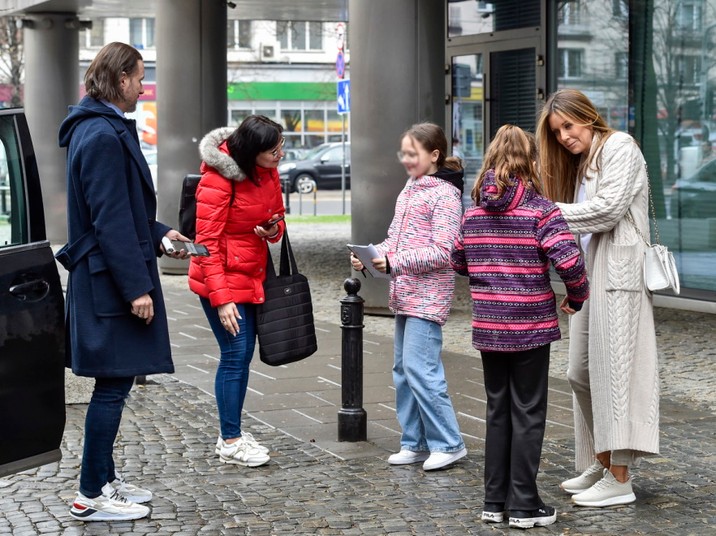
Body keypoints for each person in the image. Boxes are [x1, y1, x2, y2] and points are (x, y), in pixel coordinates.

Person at [58, 42, 189, 522]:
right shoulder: (100, 136)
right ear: (118, 81)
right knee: (111, 389)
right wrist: (137, 288)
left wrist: (159, 233)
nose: (142, 86)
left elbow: (122, 212)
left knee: (113, 386)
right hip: (111, 283)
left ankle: (105, 479)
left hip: (109, 275)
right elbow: (109, 223)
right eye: (138, 77)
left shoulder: (101, 130)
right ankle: (89, 495)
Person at [451, 124, 589, 529]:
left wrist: (489, 266)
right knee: (527, 411)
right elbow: (570, 262)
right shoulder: (541, 210)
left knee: (498, 409)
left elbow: (459, 261)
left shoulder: (472, 212)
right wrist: (576, 297)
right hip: (530, 324)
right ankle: (525, 505)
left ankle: (494, 502)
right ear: (531, 162)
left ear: (490, 160)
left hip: (490, 327)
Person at [536, 88, 660, 507]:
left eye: (568, 126)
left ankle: (620, 476)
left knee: (615, 375)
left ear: (587, 117)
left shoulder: (620, 146)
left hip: (620, 273)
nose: (565, 137)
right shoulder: (585, 161)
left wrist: (545, 210)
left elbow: (607, 211)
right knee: (579, 373)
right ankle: (602, 458)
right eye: (557, 132)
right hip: (594, 272)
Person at [350, 122, 467, 471]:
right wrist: (373, 255)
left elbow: (444, 251)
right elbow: (396, 241)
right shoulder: (410, 189)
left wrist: (393, 261)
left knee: (421, 369)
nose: (406, 159)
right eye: (403, 152)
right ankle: (414, 442)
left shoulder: (445, 195)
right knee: (403, 370)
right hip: (406, 293)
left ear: (434, 155)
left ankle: (449, 442)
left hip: (427, 296)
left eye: (412, 153)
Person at [188, 115, 286, 467]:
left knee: (242, 354)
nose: (280, 154)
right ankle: (230, 440)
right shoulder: (217, 179)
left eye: (281, 146)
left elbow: (276, 217)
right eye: (273, 150)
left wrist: (269, 230)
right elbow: (205, 244)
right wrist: (222, 298)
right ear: (251, 152)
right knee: (236, 352)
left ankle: (232, 433)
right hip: (220, 277)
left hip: (251, 272)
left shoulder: (268, 172)